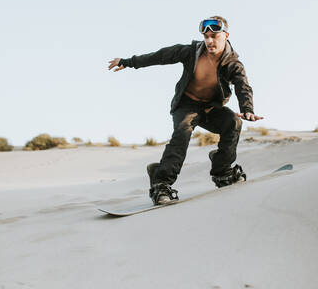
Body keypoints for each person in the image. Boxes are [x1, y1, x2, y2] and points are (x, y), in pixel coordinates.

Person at [107, 16, 264, 205]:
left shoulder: (233, 63)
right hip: (186, 105)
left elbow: (243, 86)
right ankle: (161, 182)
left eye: (214, 36)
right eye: (206, 37)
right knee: (182, 132)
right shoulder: (191, 52)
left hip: (211, 108)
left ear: (226, 35)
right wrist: (129, 62)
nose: (209, 41)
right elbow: (160, 56)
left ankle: (222, 171)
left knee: (233, 123)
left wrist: (247, 109)